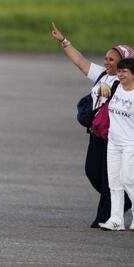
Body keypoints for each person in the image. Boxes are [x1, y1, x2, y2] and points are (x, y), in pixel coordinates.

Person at [51, 22, 132, 228]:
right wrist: (64, 41)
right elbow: (80, 61)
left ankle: (106, 217)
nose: (106, 62)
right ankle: (123, 201)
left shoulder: (127, 84)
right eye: (105, 58)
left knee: (110, 179)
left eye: (111, 59)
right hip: (98, 134)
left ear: (124, 63)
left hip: (118, 136)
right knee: (93, 172)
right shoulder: (103, 75)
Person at [99, 58, 134, 231]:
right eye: (119, 71)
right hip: (113, 142)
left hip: (131, 143)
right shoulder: (116, 87)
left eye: (125, 72)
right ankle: (116, 219)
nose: (120, 74)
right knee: (114, 182)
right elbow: (102, 91)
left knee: (128, 180)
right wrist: (101, 88)